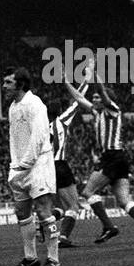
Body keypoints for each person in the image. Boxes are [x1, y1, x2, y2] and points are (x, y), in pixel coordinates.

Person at [64, 65, 134, 245]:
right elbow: (78, 98)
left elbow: (101, 90)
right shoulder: (97, 111)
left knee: (87, 191)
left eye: (96, 97)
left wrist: (93, 74)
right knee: (124, 200)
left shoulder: (112, 109)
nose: (94, 99)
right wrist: (66, 81)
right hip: (119, 159)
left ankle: (108, 226)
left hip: (112, 157)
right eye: (93, 98)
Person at [3, 68, 61, 266]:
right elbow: (15, 138)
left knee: (44, 211)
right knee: (21, 212)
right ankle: (31, 258)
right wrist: (15, 164)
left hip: (38, 165)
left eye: (8, 83)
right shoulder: (13, 107)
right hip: (19, 167)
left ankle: (54, 258)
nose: (4, 86)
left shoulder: (35, 104)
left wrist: (26, 162)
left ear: (20, 84)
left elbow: (39, 137)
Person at [49, 85, 85, 247]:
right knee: (73, 206)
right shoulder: (61, 121)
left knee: (60, 207)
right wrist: (87, 79)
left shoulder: (41, 125)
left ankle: (41, 222)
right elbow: (78, 100)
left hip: (46, 168)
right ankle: (63, 237)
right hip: (60, 166)